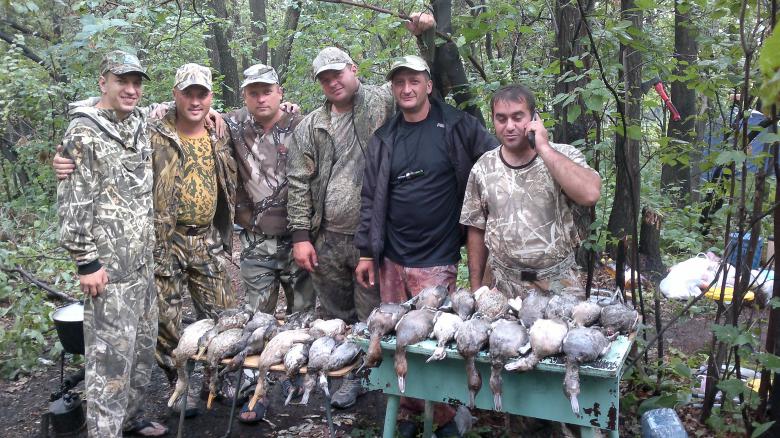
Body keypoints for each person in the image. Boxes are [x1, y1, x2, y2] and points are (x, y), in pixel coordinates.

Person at [54, 63, 237, 418]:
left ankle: (220, 379)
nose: (195, 101)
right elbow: (103, 124)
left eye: (202, 94)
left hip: (207, 241)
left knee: (224, 314)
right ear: (175, 94)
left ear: (211, 97)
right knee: (166, 323)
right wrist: (64, 157)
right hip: (163, 242)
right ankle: (178, 385)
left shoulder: (222, 130)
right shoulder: (151, 129)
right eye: (188, 93)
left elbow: (265, 115)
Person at [354, 55, 496, 438]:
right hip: (391, 258)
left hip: (436, 258)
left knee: (436, 340)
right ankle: (407, 412)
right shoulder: (385, 137)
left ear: (428, 85)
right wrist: (367, 251)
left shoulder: (457, 126)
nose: (406, 89)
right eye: (399, 82)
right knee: (394, 337)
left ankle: (447, 416)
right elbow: (370, 197)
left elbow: (497, 157)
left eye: (414, 81)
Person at [57, 50, 167, 437]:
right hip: (108, 273)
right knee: (108, 367)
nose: (131, 89)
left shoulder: (137, 121)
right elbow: (73, 202)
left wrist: (214, 115)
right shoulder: (82, 133)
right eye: (123, 81)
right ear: (103, 82)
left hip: (141, 265)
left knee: (140, 354)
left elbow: (175, 108)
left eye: (136, 83)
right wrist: (86, 261)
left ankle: (131, 419)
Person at [223, 63, 315, 422]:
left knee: (301, 317)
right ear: (244, 96)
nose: (261, 98)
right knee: (256, 321)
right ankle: (255, 393)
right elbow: (187, 111)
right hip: (257, 243)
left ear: (280, 92)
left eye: (267, 91)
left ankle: (298, 382)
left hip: (299, 240)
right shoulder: (231, 125)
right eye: (253, 92)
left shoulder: (302, 125)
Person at [460, 84, 601, 300]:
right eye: (501, 119)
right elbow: (476, 229)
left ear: (535, 118)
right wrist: (477, 288)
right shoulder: (483, 167)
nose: (509, 126)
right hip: (501, 284)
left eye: (518, 117)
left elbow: (590, 194)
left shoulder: (561, 156)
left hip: (557, 283)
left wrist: (543, 148)